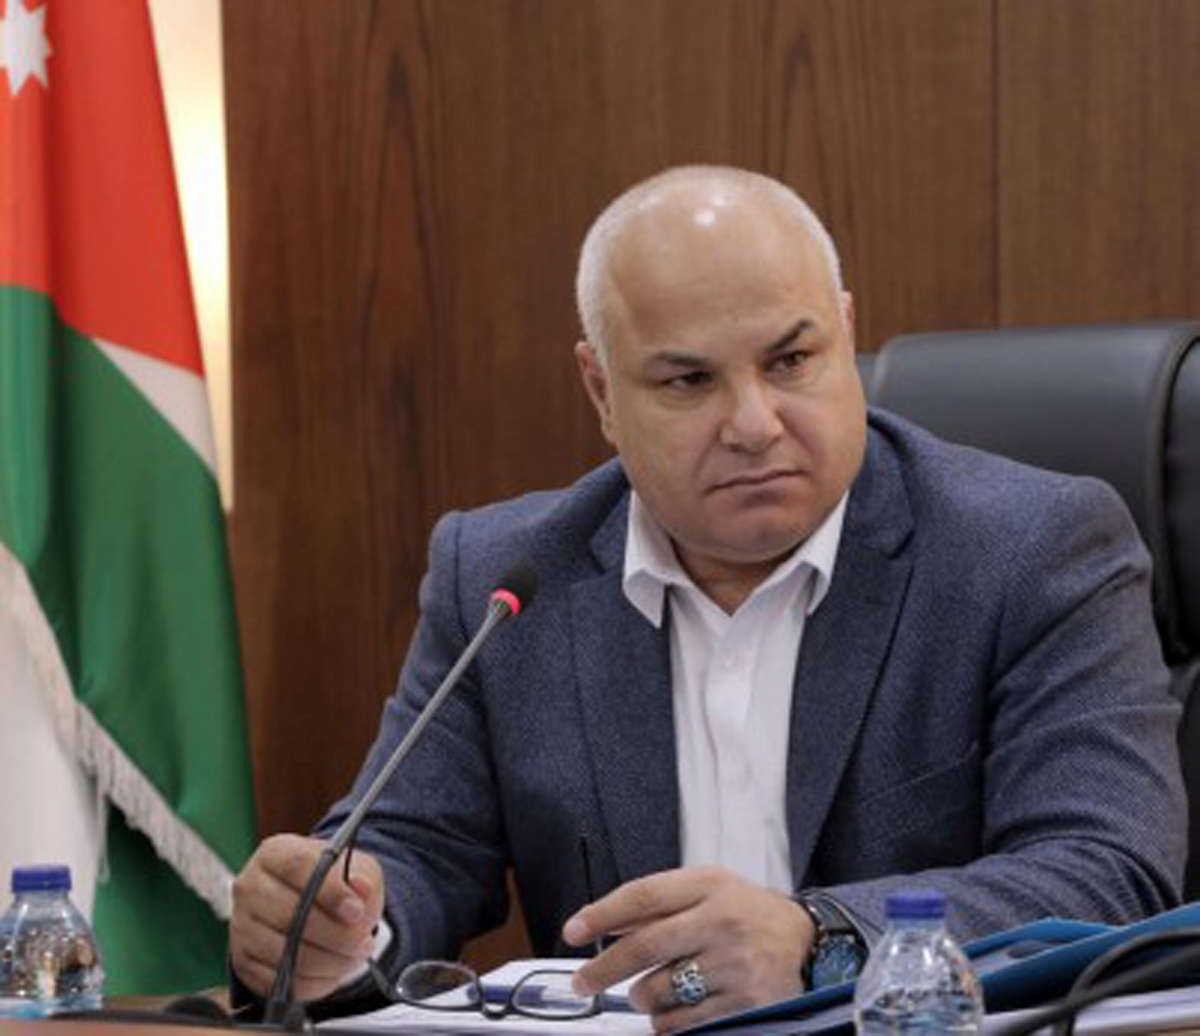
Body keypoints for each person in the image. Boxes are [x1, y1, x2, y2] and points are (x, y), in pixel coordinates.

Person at [229, 166, 1187, 1031]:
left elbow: (1107, 869)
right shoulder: (508, 578)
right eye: (689, 380)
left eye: (791, 361)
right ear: (602, 392)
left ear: (846, 333)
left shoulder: (1028, 550)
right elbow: (414, 846)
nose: (754, 423)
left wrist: (817, 939)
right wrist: (340, 923)